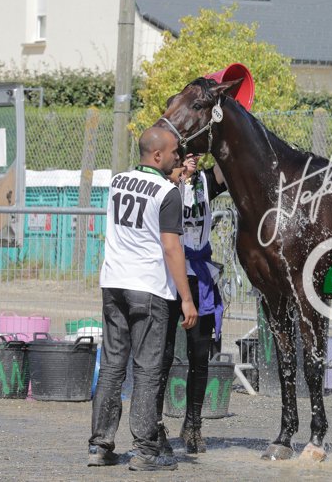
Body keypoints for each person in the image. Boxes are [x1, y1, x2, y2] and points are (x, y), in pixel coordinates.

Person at [88, 126, 198, 472]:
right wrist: (186, 298)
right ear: (157, 155)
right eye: (175, 152)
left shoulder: (118, 181)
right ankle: (145, 451)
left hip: (113, 284)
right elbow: (171, 247)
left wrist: (176, 179)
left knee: (112, 367)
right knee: (147, 369)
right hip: (148, 288)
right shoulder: (167, 193)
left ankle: (100, 446)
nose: (179, 157)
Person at [155, 153, 227, 455]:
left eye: (196, 154)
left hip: (200, 278)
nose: (192, 159)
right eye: (186, 153)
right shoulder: (163, 184)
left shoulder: (206, 182)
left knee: (199, 355)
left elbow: (226, 165)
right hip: (169, 277)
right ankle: (155, 424)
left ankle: (193, 424)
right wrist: (179, 175)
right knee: (163, 353)